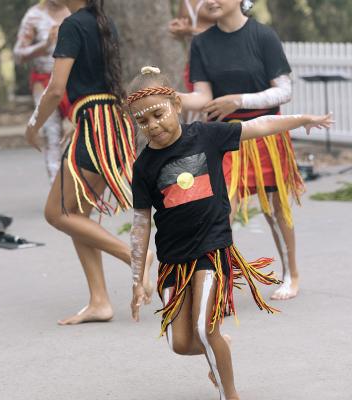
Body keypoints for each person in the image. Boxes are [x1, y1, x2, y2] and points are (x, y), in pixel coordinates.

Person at [125, 66, 331, 400]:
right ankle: (219, 350)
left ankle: (229, 393)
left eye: (158, 115)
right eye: (143, 122)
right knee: (180, 343)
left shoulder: (207, 135)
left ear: (176, 104)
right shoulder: (144, 165)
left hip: (211, 250)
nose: (153, 126)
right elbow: (140, 223)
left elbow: (258, 125)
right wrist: (137, 278)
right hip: (173, 261)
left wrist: (300, 119)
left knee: (205, 331)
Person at [23, 0, 153, 325]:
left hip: (96, 125)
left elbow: (55, 90)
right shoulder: (103, 22)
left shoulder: (72, 25)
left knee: (57, 212)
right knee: (78, 215)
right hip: (111, 123)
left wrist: (33, 126)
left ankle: (135, 256)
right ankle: (99, 301)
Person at [178, 0, 303, 301]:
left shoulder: (263, 36)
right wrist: (169, 98)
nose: (211, 1)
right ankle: (216, 281)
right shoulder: (201, 42)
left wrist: (238, 100)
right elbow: (202, 97)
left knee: (275, 208)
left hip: (265, 135)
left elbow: (284, 91)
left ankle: (292, 273)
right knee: (222, 209)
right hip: (223, 137)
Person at [14, 0, 71, 181]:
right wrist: (44, 45)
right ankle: (57, 190)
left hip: (75, 80)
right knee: (52, 135)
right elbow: (18, 55)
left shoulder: (77, 9)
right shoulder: (34, 16)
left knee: (79, 134)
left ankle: (78, 189)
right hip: (44, 80)